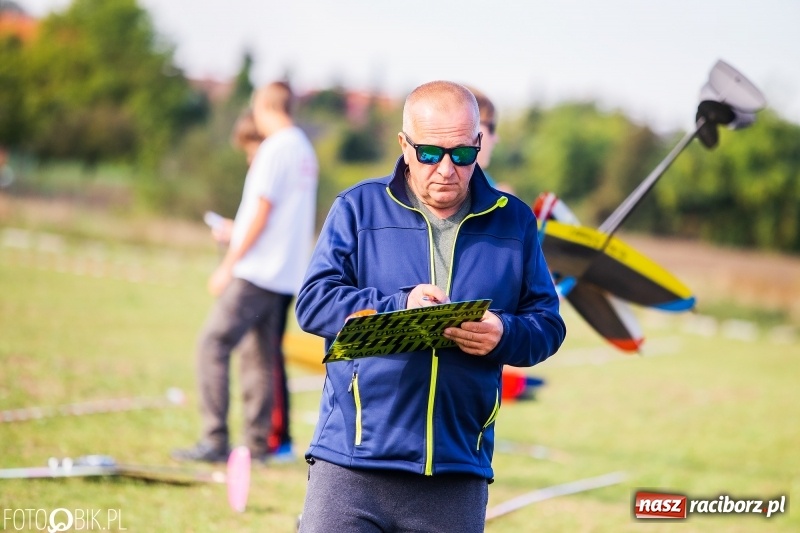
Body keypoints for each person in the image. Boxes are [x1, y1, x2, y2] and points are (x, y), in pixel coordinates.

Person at [294, 81, 566, 532]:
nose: (446, 168)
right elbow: (314, 302)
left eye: (462, 154)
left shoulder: (515, 221)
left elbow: (547, 325)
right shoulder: (357, 208)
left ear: (479, 145)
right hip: (352, 463)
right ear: (404, 145)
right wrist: (399, 307)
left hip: (456, 472)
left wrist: (505, 334)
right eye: (429, 153)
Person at [173, 81, 319, 464]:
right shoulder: (303, 148)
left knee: (213, 344)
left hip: (257, 272)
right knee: (259, 358)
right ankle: (258, 445)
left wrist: (228, 263)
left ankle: (214, 440)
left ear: (264, 106)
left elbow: (262, 211)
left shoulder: (275, 147)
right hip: (285, 273)